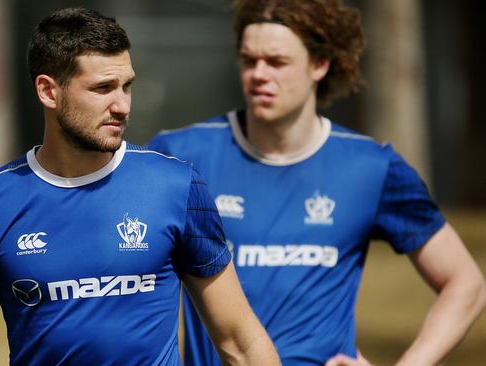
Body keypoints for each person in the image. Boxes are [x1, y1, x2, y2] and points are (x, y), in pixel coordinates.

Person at [0, 7, 280, 366]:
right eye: (103, 88)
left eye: (126, 86)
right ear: (48, 92)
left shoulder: (178, 187)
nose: (121, 105)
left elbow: (242, 343)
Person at [148, 0, 486, 365]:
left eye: (276, 62)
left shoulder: (372, 168)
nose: (258, 74)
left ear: (319, 65)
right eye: (249, 60)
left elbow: (466, 284)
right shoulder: (181, 156)